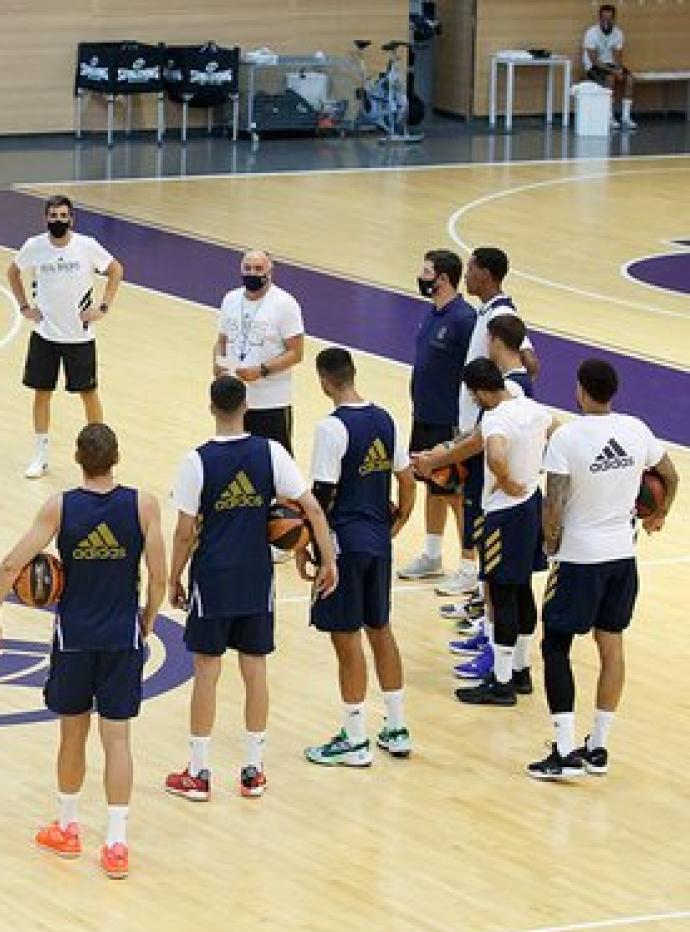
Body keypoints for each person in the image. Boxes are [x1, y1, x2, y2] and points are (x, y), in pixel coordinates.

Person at [0, 423, 164, 879]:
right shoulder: (143, 505)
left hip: (75, 639)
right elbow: (158, 576)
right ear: (116, 457)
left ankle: (68, 827)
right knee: (117, 739)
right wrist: (149, 619)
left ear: (79, 459)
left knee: (72, 735)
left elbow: (11, 563)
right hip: (122, 638)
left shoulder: (60, 507)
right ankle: (117, 844)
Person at [164, 376, 336, 801]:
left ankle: (200, 774)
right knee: (255, 670)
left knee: (207, 672)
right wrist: (328, 558)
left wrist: (172, 577)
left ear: (211, 408)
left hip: (214, 577)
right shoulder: (271, 452)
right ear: (247, 406)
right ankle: (253, 771)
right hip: (257, 578)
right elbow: (311, 507)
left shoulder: (196, 461)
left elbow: (184, 533)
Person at [531, 360, 677, 779]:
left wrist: (551, 546)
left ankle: (562, 750)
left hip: (579, 558)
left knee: (556, 646)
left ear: (580, 390)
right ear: (613, 391)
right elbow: (671, 475)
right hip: (621, 557)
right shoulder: (636, 429)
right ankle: (598, 746)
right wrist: (658, 514)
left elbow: (554, 506)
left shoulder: (566, 437)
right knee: (611, 645)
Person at [301, 348, 416, 767]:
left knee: (346, 639)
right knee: (380, 630)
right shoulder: (386, 419)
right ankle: (397, 726)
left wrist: (310, 549)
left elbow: (323, 497)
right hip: (378, 542)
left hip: (344, 545)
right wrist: (399, 522)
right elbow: (406, 479)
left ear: (324, 381)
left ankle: (354, 737)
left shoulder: (332, 428)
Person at [445, 359, 553, 707]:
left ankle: (502, 683)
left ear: (479, 392)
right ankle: (521, 671)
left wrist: (506, 479)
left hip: (505, 513)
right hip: (533, 505)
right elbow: (560, 431)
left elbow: (495, 454)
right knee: (521, 589)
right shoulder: (534, 409)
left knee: (502, 592)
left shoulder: (495, 419)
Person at [442, 247, 539, 599]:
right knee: (472, 504)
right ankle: (480, 596)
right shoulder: (488, 310)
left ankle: (479, 592)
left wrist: (510, 387)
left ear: (485, 273)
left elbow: (529, 358)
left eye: (469, 269)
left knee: (480, 509)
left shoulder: (503, 312)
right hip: (475, 423)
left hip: (487, 428)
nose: (465, 275)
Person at [8, 196, 123, 479]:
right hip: (45, 334)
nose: (58, 220)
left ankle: (102, 454)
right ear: (45, 218)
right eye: (53, 215)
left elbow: (116, 270)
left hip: (79, 336)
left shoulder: (87, 246)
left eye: (63, 215)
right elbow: (13, 272)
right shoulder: (34, 246)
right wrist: (24, 306)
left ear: (72, 219)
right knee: (42, 393)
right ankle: (41, 454)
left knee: (88, 393)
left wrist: (103, 307)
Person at [398, 249, 478, 582]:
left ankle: (468, 563)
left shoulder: (464, 319)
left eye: (426, 270)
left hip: (449, 419)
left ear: (443, 278)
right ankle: (432, 555)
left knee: (456, 493)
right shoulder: (432, 313)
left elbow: (474, 370)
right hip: (425, 415)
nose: (421, 275)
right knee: (432, 484)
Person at [211, 249, 305, 454]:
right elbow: (221, 341)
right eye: (248, 268)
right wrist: (218, 365)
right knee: (237, 458)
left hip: (271, 402)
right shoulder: (230, 299)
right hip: (234, 401)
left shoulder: (285, 304)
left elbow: (296, 353)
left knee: (277, 460)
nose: (252, 273)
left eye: (258, 268)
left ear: (270, 272)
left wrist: (262, 370)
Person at [583, 4, 637, 130]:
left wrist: (618, 70)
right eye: (604, 19)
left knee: (629, 79)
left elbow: (617, 56)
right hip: (593, 66)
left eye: (609, 19)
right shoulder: (591, 33)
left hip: (610, 64)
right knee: (610, 79)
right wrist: (613, 72)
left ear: (614, 19)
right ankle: (609, 116)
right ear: (599, 18)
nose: (606, 22)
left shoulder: (618, 33)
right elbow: (594, 60)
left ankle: (625, 117)